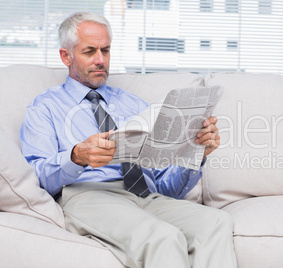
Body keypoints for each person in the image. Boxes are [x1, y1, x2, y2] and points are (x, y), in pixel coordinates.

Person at [20, 11, 237, 268]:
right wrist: (76, 156)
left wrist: (197, 152)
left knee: (216, 222)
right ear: (66, 56)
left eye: (106, 50)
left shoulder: (134, 104)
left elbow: (167, 187)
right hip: (91, 196)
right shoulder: (45, 106)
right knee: (162, 237)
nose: (101, 60)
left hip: (146, 197)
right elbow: (36, 177)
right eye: (90, 52)